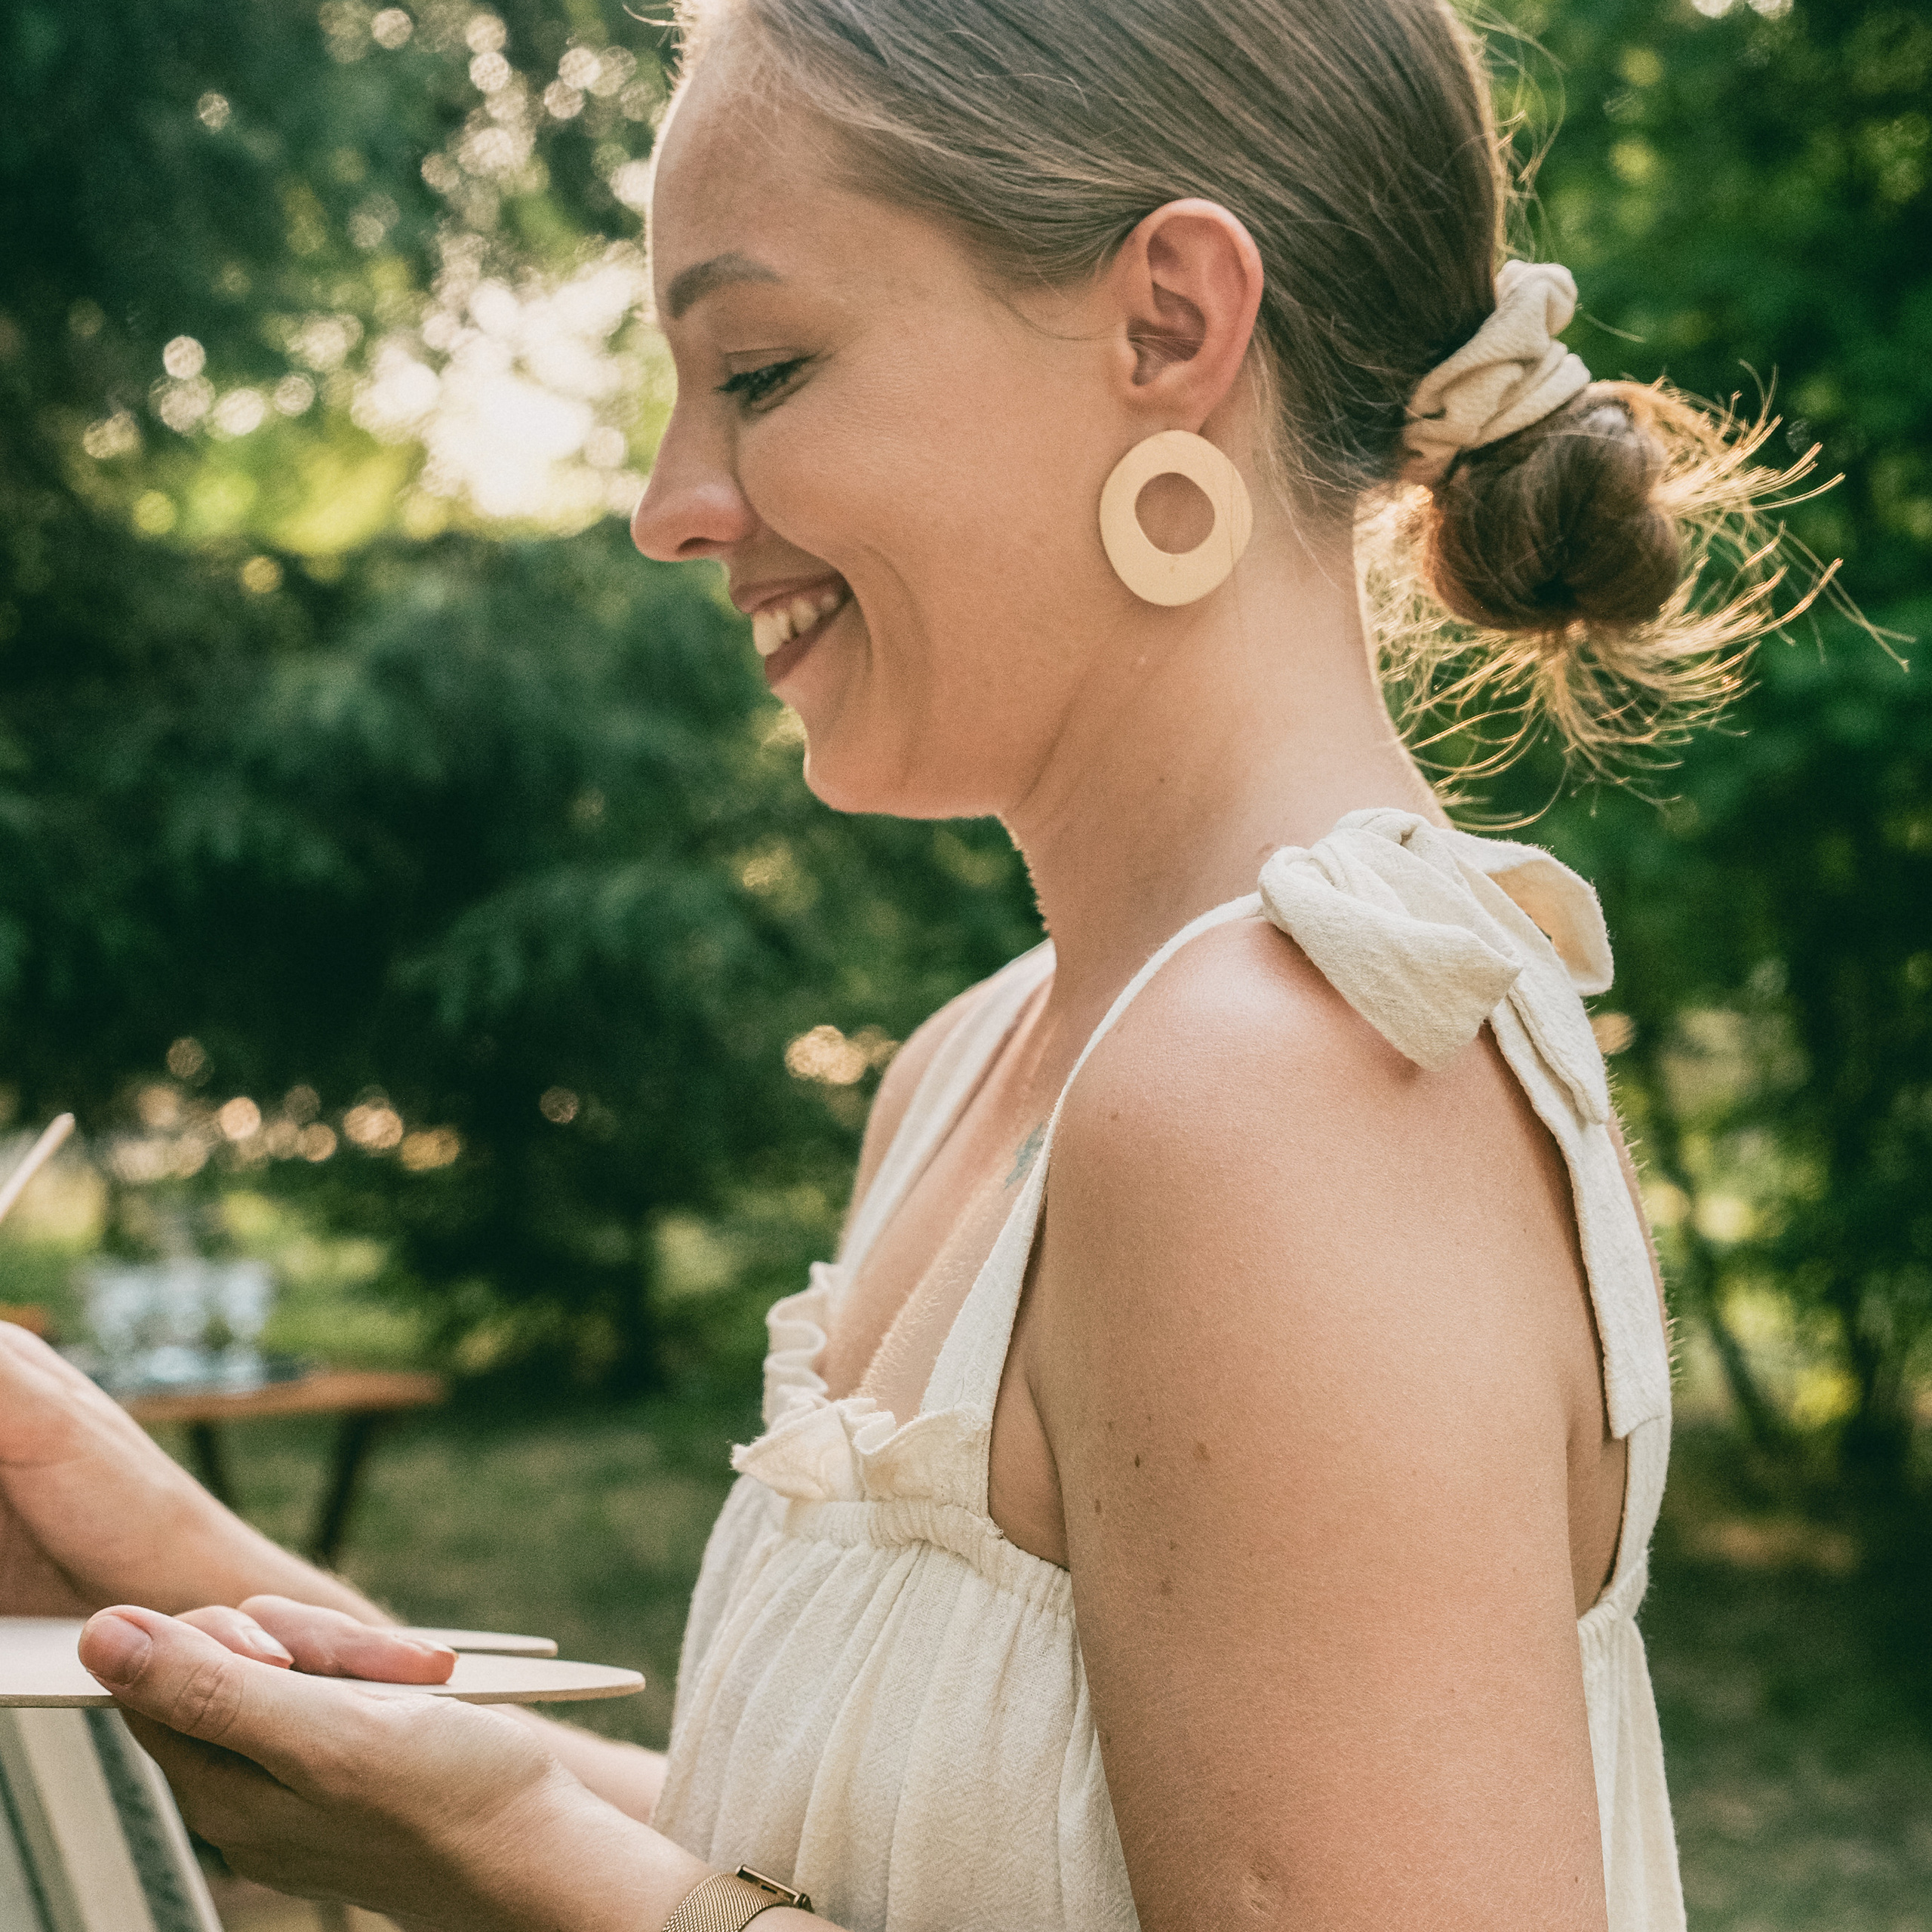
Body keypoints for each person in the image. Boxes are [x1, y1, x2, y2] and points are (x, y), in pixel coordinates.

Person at [2, 0, 1803, 1925]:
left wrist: (495, 1861)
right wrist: (184, 1574)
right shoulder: (982, 1062)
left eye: (761, 368)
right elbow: (872, 1871)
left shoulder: (1285, 1084)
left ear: (1167, 327)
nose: (670, 504)